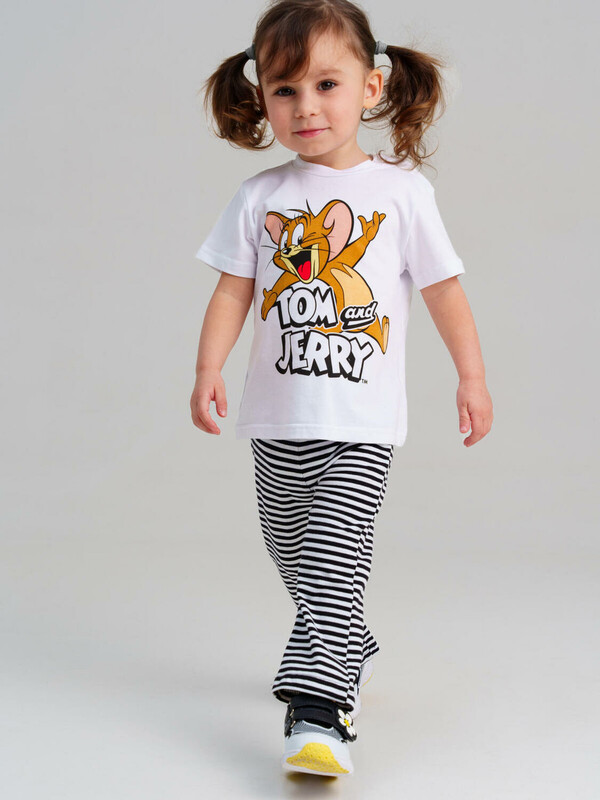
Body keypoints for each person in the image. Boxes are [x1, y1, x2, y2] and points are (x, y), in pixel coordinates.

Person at [190, 0, 493, 778]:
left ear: (371, 86)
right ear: (262, 97)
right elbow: (232, 292)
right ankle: (348, 641)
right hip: (275, 421)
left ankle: (320, 713)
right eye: (285, 89)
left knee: (331, 556)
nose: (306, 106)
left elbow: (444, 290)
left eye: (327, 84)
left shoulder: (400, 191)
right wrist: (207, 369)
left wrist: (471, 376)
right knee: (293, 552)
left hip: (360, 424)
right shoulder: (260, 196)